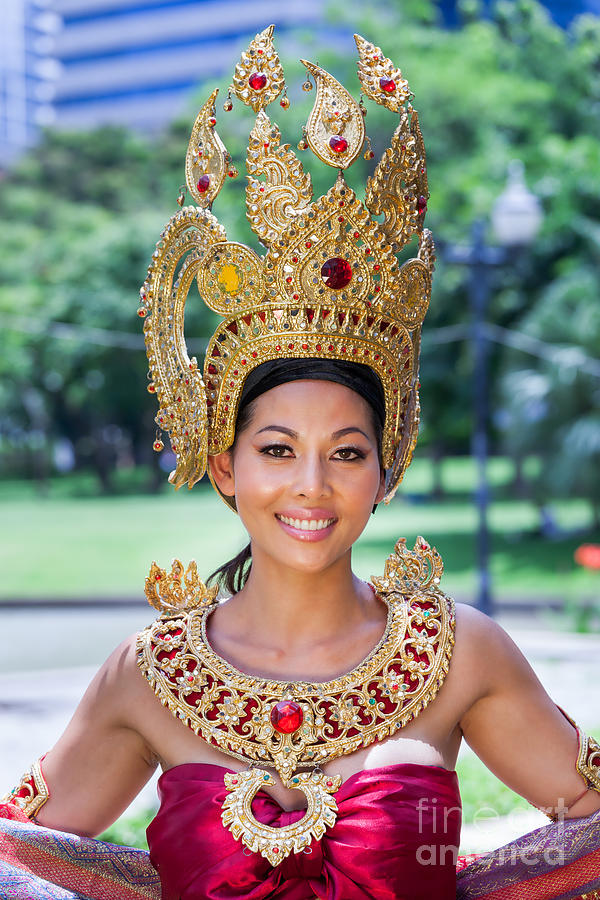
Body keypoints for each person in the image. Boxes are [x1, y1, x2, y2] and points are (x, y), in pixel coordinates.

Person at [2, 26, 600, 900]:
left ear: (386, 471)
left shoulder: (458, 652)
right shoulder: (152, 672)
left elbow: (586, 828)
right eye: (277, 450)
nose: (311, 486)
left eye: (346, 453)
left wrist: (470, 888)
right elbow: (22, 853)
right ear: (225, 467)